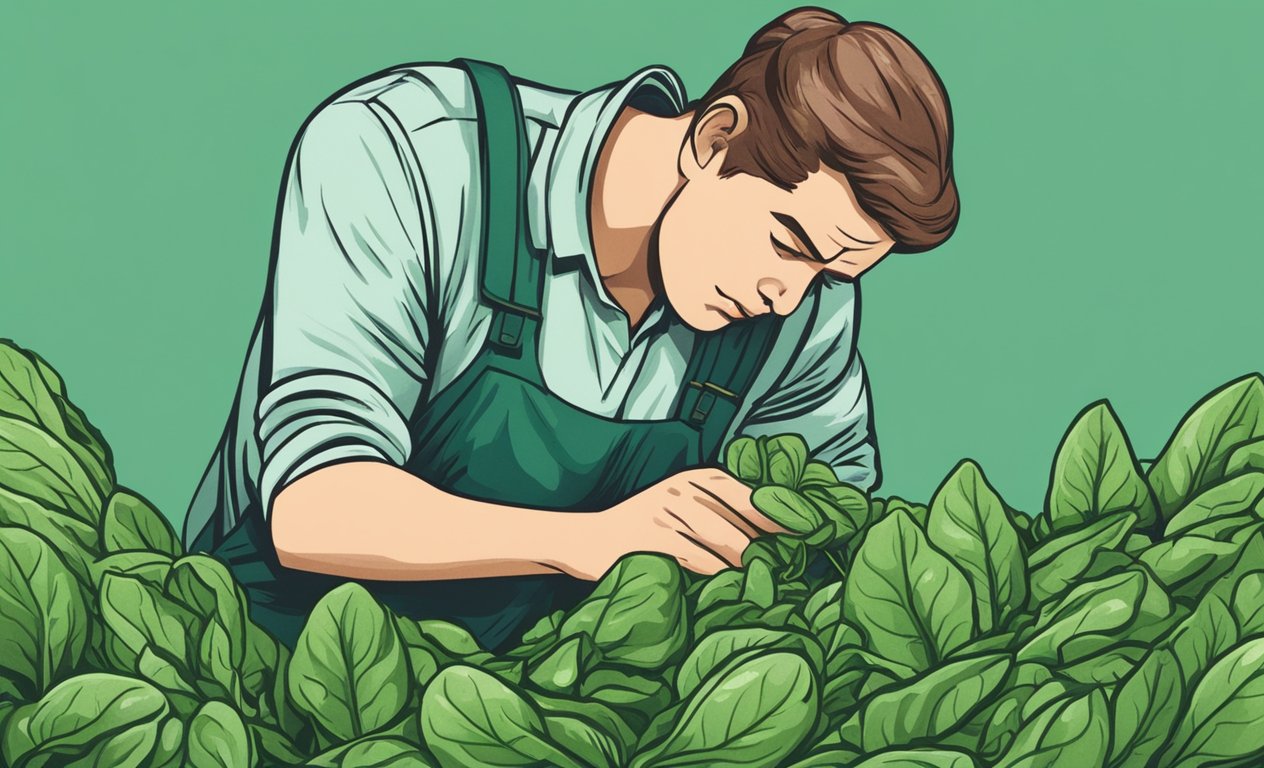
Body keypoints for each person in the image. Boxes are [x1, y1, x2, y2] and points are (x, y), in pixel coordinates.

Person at [181, 7, 959, 650]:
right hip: (274, 665)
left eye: (830, 273)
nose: (787, 299)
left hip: (540, 715)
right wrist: (591, 538)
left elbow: (829, 535)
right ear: (713, 139)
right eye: (788, 243)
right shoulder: (411, 152)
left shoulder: (804, 304)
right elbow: (316, 504)